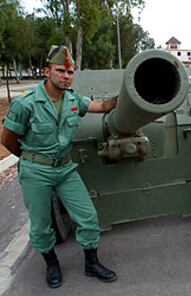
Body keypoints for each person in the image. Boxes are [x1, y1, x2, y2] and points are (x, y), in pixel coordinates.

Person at [1, 45, 118, 288]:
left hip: (65, 169)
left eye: (70, 72)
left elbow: (104, 106)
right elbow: (7, 139)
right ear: (47, 71)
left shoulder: (74, 100)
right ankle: (52, 264)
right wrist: (30, 160)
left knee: (88, 216)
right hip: (36, 171)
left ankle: (91, 263)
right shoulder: (27, 104)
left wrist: (128, 96)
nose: (66, 76)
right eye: (61, 71)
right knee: (42, 226)